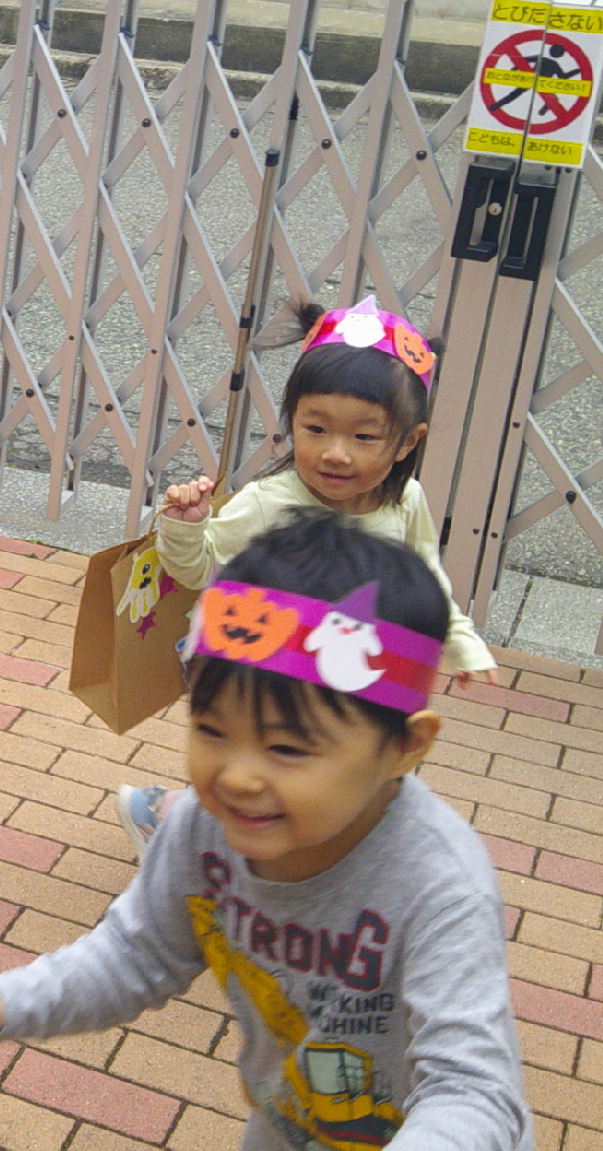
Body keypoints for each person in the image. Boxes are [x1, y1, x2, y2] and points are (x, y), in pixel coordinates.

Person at [0, 513, 531, 1151]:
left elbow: (475, 1089)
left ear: (404, 747)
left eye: (288, 748)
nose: (236, 776)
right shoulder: (204, 831)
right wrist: (11, 1000)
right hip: (293, 1142)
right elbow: (136, 952)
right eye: (211, 729)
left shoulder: (439, 884)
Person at [115, 296, 494, 857]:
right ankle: (171, 822)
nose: (335, 453)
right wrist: (188, 526)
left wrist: (460, 641)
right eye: (316, 428)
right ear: (292, 422)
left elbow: (425, 574)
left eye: (364, 437)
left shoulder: (405, 501)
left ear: (407, 442)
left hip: (354, 670)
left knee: (339, 774)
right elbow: (196, 568)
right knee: (264, 771)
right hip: (262, 666)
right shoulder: (268, 502)